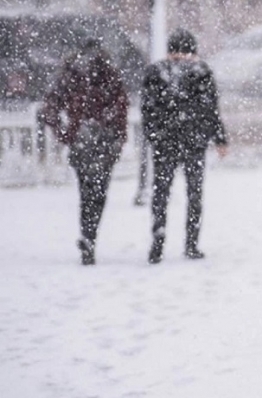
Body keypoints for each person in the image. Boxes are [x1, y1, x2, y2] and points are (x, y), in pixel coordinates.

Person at [141, 29, 228, 264]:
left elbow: (147, 109)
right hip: (194, 142)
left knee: (161, 192)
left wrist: (154, 136)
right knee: (194, 193)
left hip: (165, 143)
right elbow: (210, 109)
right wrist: (219, 138)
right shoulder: (201, 71)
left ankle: (158, 239)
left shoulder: (155, 72)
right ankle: (191, 243)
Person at [41, 38, 129, 266]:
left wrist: (65, 133)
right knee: (99, 193)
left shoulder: (70, 75)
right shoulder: (109, 74)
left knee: (86, 192)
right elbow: (121, 108)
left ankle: (87, 234)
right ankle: (90, 235)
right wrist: (118, 137)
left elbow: (50, 108)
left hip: (81, 140)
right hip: (104, 140)